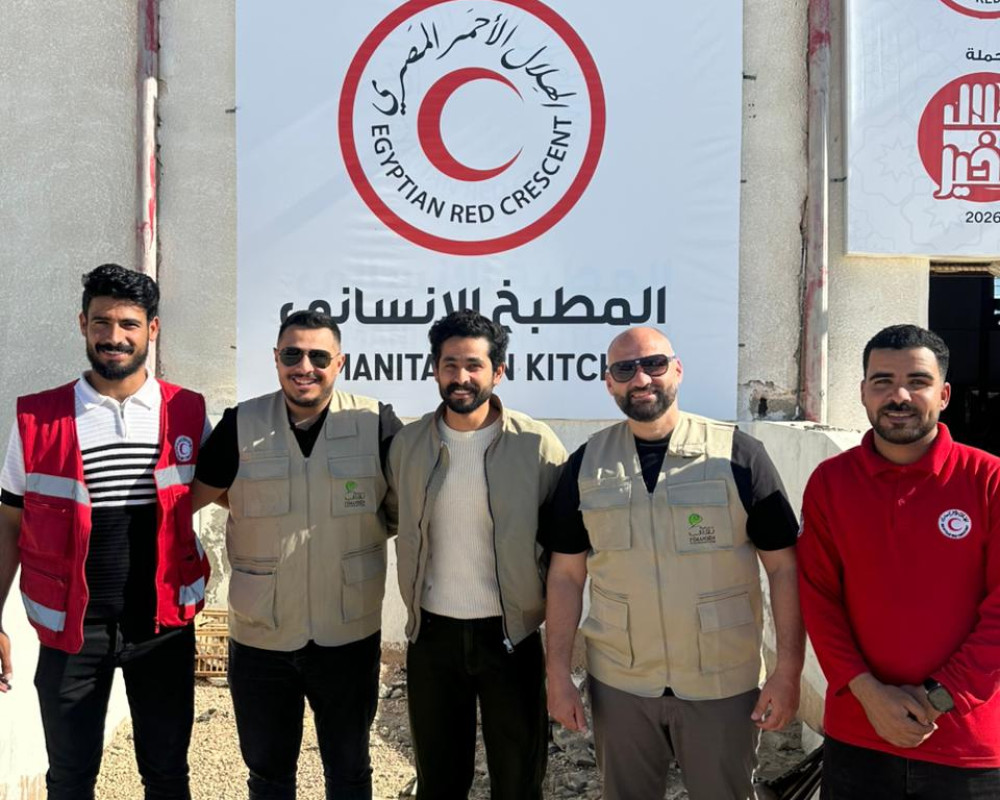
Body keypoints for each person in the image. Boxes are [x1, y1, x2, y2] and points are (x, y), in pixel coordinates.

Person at [544, 326, 804, 800]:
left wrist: (787, 672)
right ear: (609, 382)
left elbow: (784, 568)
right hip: (621, 683)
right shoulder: (586, 465)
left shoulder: (738, 455)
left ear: (678, 370)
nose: (641, 378)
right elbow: (565, 575)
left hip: (721, 683)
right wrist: (558, 674)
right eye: (625, 369)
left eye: (654, 364)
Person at [0, 263, 210, 800]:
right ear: (82, 324)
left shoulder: (186, 411)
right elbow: (9, 524)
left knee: (167, 776)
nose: (114, 337)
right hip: (72, 632)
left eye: (129, 324)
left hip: (161, 627)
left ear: (152, 329)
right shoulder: (37, 419)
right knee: (70, 779)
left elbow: (229, 495)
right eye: (101, 322)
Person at [190, 309, 401, 800]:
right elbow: (193, 497)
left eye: (319, 357)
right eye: (292, 354)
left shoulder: (374, 423)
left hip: (348, 631)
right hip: (262, 635)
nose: (305, 367)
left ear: (340, 362)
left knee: (349, 770)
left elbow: (398, 508)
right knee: (268, 774)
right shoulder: (241, 424)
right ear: (276, 359)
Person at [798, 324, 1000, 799]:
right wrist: (869, 694)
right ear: (863, 392)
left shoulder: (988, 480)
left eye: (917, 381)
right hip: (858, 735)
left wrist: (940, 697)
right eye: (883, 381)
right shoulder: (830, 483)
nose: (899, 396)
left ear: (944, 394)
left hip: (966, 743)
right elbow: (819, 598)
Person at [385, 310, 567, 800]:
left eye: (473, 365)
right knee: (439, 783)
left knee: (519, 781)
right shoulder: (408, 445)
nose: (460, 377)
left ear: (498, 371)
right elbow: (395, 516)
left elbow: (563, 542)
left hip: (511, 636)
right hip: (432, 637)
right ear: (434, 369)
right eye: (449, 364)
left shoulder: (536, 445)